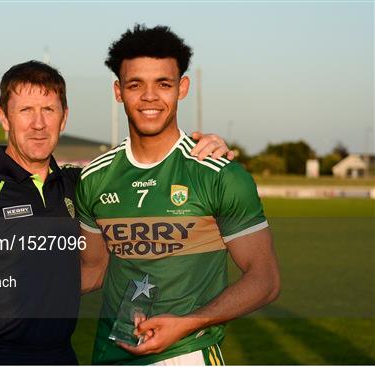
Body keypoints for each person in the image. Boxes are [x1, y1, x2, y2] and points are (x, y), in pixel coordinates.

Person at [0, 60, 232, 365]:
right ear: (4, 117)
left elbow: (147, 173)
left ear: (64, 118)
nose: (38, 123)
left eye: (49, 110)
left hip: (59, 355)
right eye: (25, 111)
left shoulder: (80, 186)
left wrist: (198, 149)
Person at [76, 24, 280, 365]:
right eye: (135, 85)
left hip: (186, 355)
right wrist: (20, 286)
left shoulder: (218, 174)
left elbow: (266, 278)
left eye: (163, 84)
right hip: (108, 354)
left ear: (182, 88)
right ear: (118, 91)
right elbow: (95, 269)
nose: (150, 97)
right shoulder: (94, 179)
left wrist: (187, 324)